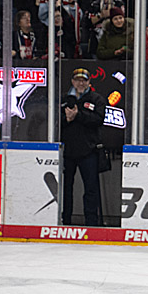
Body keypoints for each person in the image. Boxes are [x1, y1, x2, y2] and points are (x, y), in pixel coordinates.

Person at [60, 68, 104, 226]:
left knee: (91, 189)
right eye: (78, 80)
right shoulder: (64, 98)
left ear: (89, 82)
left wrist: (78, 115)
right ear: (72, 81)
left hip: (89, 151)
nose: (80, 83)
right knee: (65, 189)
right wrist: (67, 119)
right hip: (67, 152)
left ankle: (91, 223)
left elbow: (99, 119)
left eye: (84, 80)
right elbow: (56, 122)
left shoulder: (96, 99)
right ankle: (64, 221)